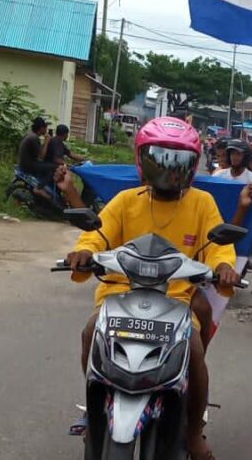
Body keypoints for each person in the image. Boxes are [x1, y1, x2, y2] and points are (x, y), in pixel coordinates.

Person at [66, 117, 240, 460]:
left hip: (175, 302)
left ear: (191, 167)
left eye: (178, 163)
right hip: (121, 298)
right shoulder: (126, 200)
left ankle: (192, 433)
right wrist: (85, 251)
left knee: (195, 354)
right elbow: (98, 233)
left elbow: (216, 244)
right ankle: (96, 406)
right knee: (90, 333)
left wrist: (223, 266)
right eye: (159, 160)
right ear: (142, 161)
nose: (168, 171)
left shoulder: (202, 203)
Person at [18, 117, 59, 194]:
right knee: (55, 167)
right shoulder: (33, 138)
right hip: (29, 165)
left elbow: (39, 151)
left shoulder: (30, 135)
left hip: (25, 163)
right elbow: (41, 156)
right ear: (41, 128)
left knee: (49, 166)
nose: (46, 130)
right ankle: (40, 187)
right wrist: (46, 141)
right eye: (45, 128)